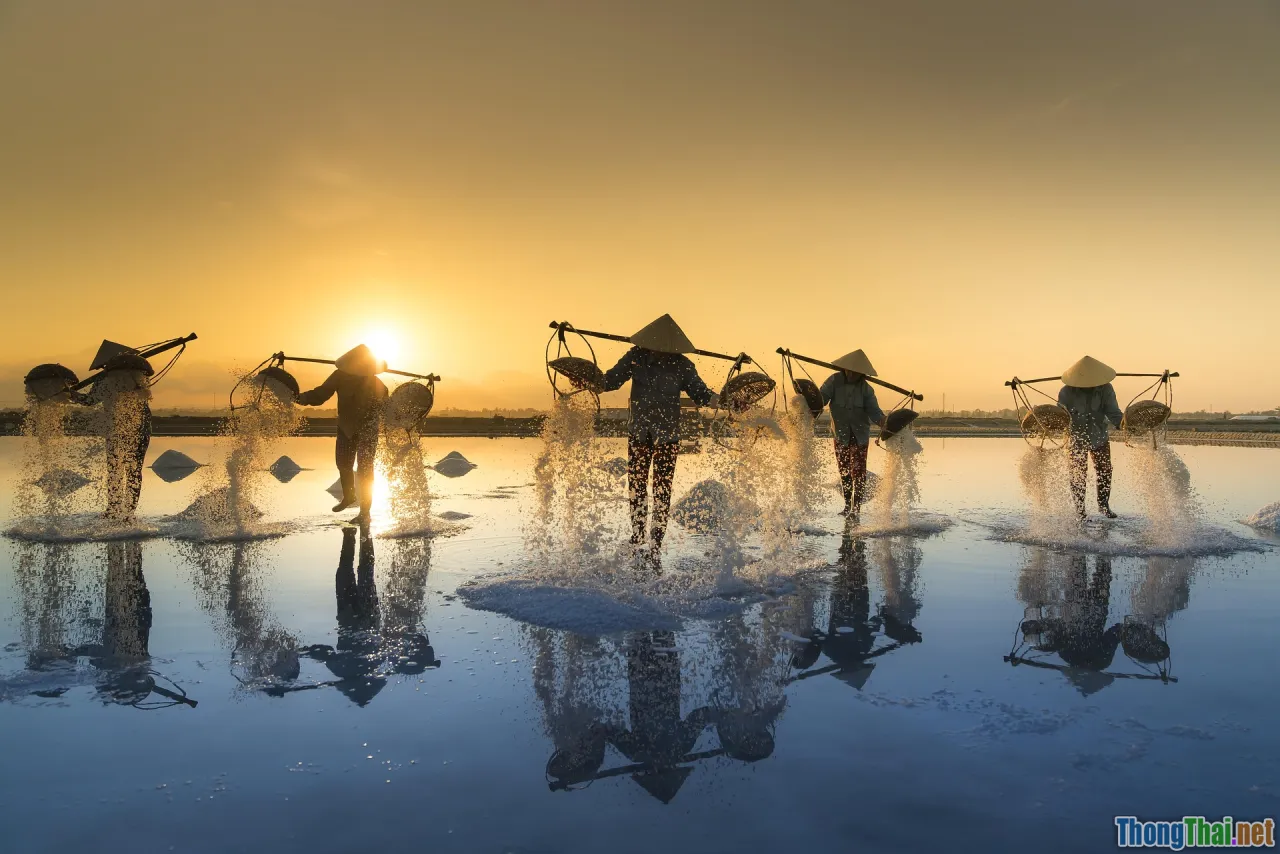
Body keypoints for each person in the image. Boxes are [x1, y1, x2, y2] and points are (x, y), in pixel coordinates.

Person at [602, 315, 717, 556]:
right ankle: (637, 535)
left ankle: (656, 543)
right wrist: (590, 380)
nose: (660, 353)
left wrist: (724, 401)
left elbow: (702, 394)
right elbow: (610, 381)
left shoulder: (682, 365)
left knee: (663, 489)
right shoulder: (636, 356)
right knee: (637, 487)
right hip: (639, 433)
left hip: (667, 437)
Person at [296, 344, 389, 524]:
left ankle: (365, 513)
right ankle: (349, 496)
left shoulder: (375, 382)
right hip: (346, 426)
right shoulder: (339, 376)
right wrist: (299, 397)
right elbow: (320, 395)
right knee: (343, 464)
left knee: (365, 470)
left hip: (368, 429)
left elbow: (386, 405)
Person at [73, 353, 154, 522]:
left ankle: (128, 512)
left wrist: (73, 395)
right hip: (114, 430)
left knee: (133, 470)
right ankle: (114, 509)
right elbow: (89, 400)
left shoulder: (137, 379)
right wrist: (71, 395)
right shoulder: (104, 381)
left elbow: (89, 400)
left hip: (138, 430)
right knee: (115, 470)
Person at [819, 350, 885, 517]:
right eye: (851, 370)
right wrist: (808, 399)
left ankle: (856, 509)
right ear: (845, 369)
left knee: (859, 473)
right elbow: (821, 399)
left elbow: (875, 412)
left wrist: (885, 422)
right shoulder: (833, 381)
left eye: (857, 372)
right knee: (844, 472)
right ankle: (847, 506)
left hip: (859, 435)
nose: (853, 374)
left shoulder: (866, 389)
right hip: (840, 435)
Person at [1057, 355, 1123, 520]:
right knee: (1078, 473)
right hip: (1075, 437)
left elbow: (1113, 412)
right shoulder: (1066, 391)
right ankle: (1080, 511)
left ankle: (1103, 505)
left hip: (1098, 434)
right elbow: (1061, 416)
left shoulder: (1105, 389)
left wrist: (1124, 424)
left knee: (1105, 469)